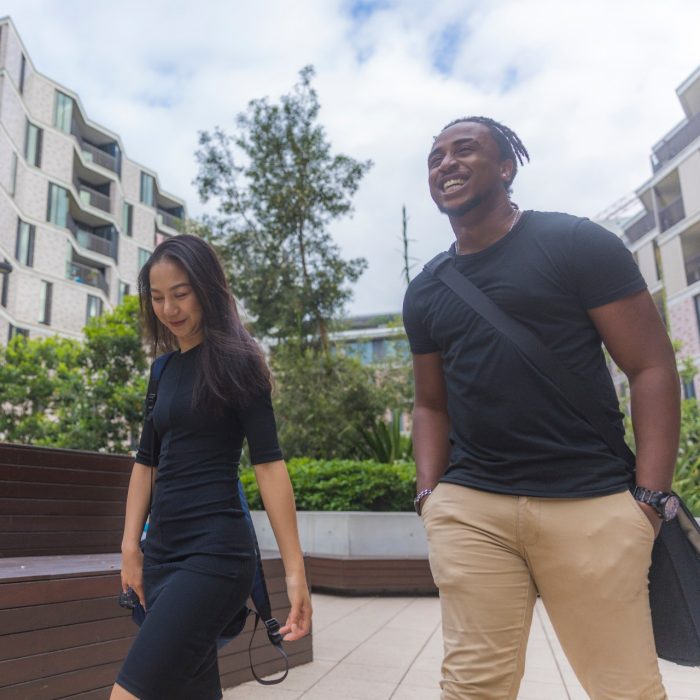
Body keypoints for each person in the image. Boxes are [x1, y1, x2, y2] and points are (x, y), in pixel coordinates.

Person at [403, 116, 680, 700]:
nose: (445, 163)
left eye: (464, 150)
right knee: (472, 689)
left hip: (591, 503)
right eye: (435, 158)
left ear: (506, 167)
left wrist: (651, 499)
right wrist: (432, 497)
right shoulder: (426, 290)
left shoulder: (576, 244)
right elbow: (430, 405)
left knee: (625, 689)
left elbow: (651, 368)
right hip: (472, 508)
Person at [111, 235, 312, 700]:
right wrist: (130, 549)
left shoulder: (240, 362)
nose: (169, 308)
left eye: (180, 294)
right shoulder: (162, 371)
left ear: (206, 288)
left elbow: (269, 466)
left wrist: (294, 571)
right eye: (157, 298)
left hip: (215, 553)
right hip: (162, 552)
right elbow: (146, 464)